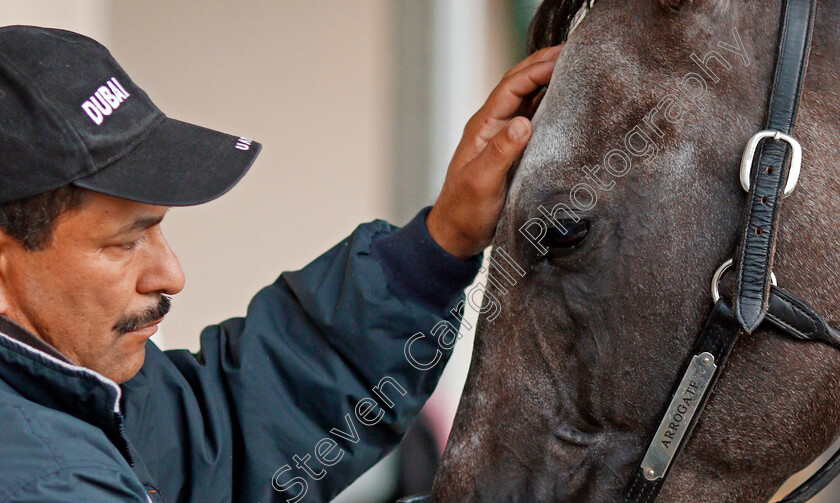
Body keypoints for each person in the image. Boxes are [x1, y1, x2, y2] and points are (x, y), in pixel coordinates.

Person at [0, 25, 561, 502]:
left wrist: (442, 241)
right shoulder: (42, 478)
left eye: (158, 227)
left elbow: (230, 432)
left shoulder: (79, 391)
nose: (171, 275)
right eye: (125, 243)